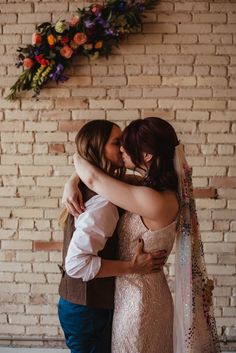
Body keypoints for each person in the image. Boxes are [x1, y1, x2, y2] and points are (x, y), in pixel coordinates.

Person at [65, 117, 221, 353]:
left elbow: (95, 179)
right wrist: (72, 180)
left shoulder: (156, 200)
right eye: (117, 143)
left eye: (124, 143)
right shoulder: (145, 187)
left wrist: (78, 157)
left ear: (146, 155)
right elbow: (99, 179)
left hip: (141, 301)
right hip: (126, 295)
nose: (122, 149)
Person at [58, 119, 167, 353]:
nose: (123, 148)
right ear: (98, 148)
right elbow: (76, 264)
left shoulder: (107, 189)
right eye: (117, 142)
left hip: (79, 305)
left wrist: (74, 176)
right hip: (88, 309)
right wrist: (133, 267)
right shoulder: (103, 203)